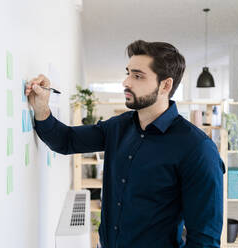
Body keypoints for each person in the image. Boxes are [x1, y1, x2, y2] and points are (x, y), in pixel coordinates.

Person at [25, 40, 225, 248]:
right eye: (128, 73)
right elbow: (66, 140)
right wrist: (41, 107)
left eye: (137, 76)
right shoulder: (117, 127)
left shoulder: (197, 149)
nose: (126, 82)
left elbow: (204, 241)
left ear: (166, 85)